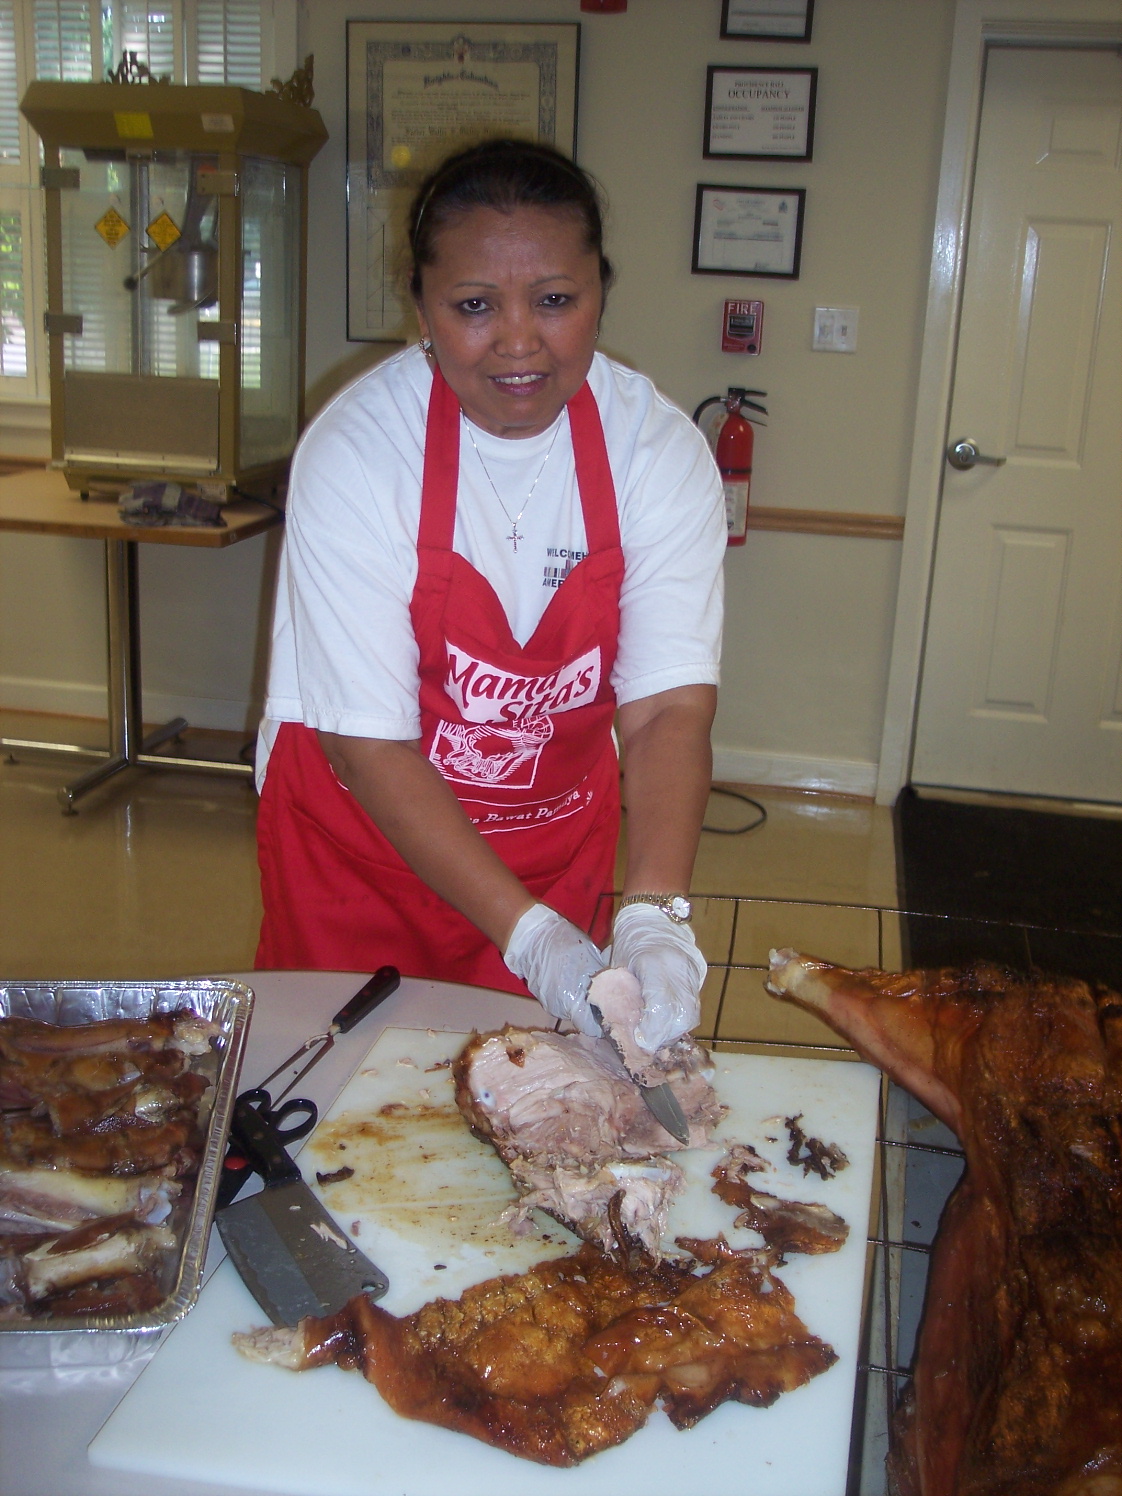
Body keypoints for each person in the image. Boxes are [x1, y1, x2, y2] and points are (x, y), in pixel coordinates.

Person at [255, 138, 724, 1051]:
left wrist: (656, 913)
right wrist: (535, 941)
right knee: (335, 1096)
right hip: (360, 861)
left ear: (599, 293)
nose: (518, 341)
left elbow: (667, 706)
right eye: (474, 305)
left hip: (550, 849)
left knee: (541, 1107)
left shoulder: (653, 452)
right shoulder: (361, 452)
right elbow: (368, 742)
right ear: (421, 306)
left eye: (555, 300)